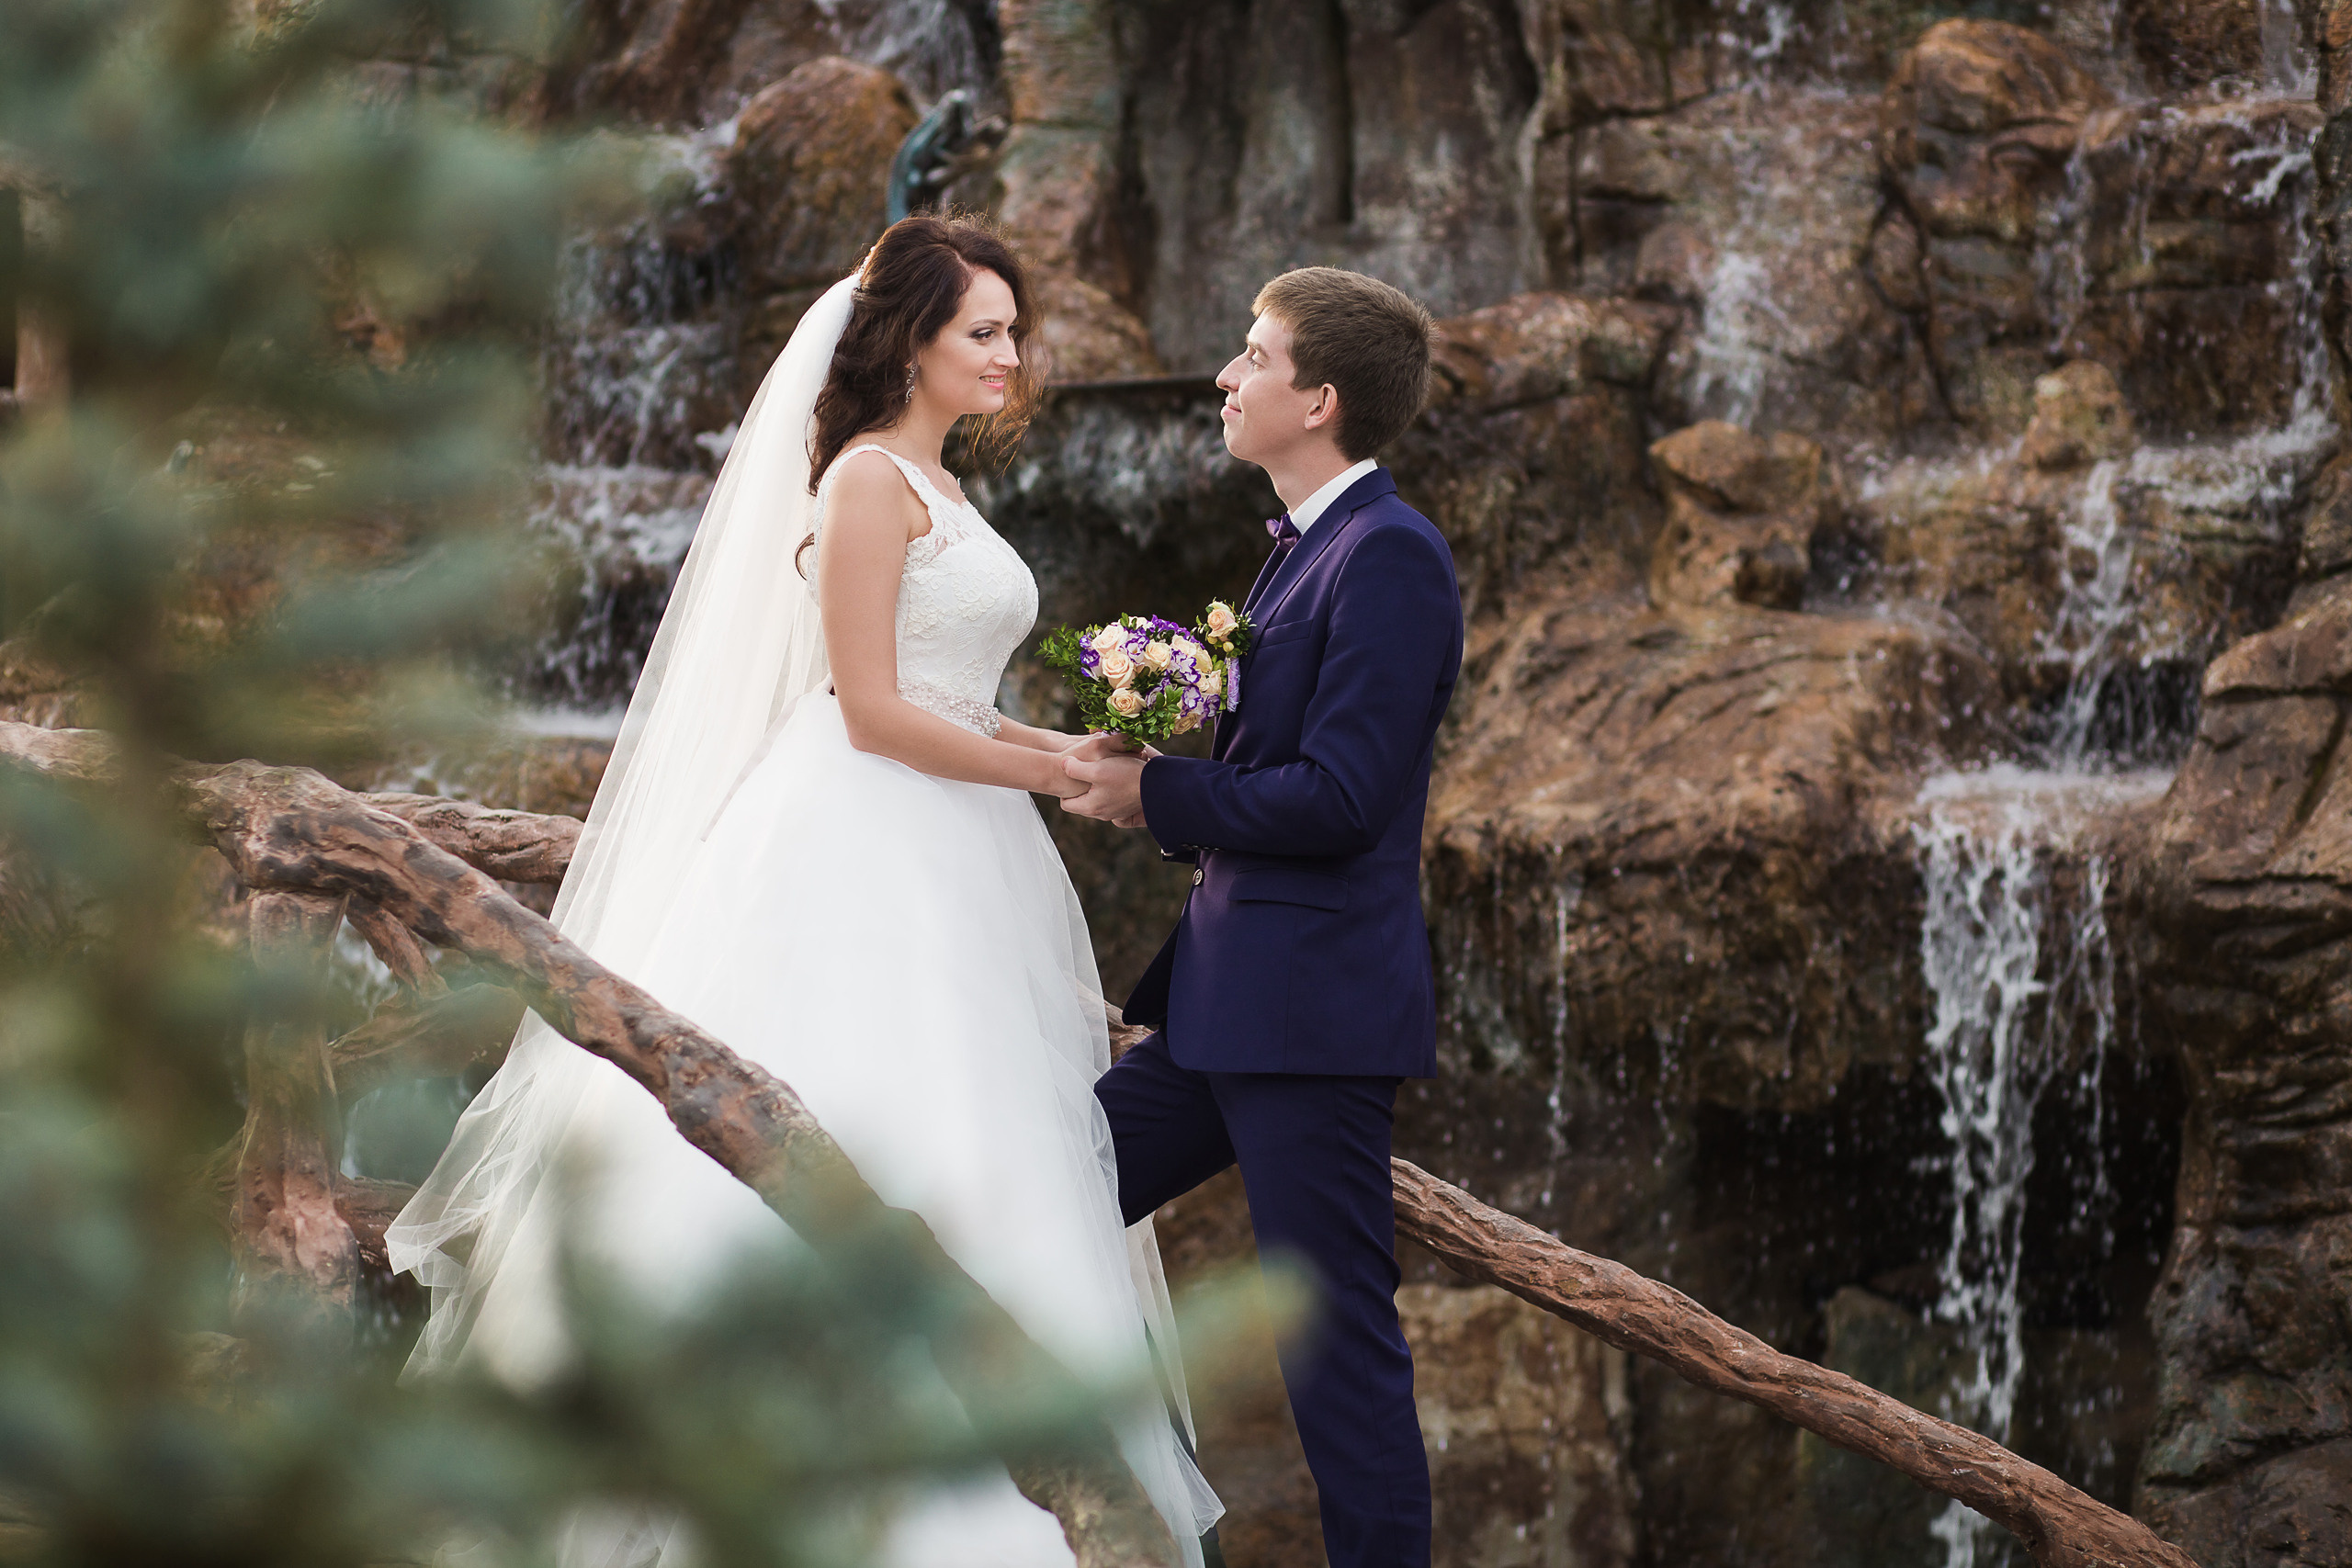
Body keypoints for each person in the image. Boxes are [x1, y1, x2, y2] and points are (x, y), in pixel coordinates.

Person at [386, 215, 1222, 1567]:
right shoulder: (866, 486)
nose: (1012, 354)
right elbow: (872, 712)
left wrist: (1064, 750)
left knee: (986, 1130)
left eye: (1013, 329)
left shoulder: (946, 489)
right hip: (862, 841)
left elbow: (958, 697)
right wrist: (1054, 781)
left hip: (961, 848)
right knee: (871, 1109)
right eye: (983, 332)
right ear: (910, 342)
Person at [1061, 266, 1461, 1568]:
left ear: (1320, 399)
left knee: (1336, 1355)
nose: (1227, 378)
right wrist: (1153, 755)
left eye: (1254, 356)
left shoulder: (1390, 555)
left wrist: (1159, 791)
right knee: (1036, 1188)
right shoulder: (1297, 551)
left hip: (1309, 1022)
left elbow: (1345, 798)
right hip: (1220, 1016)